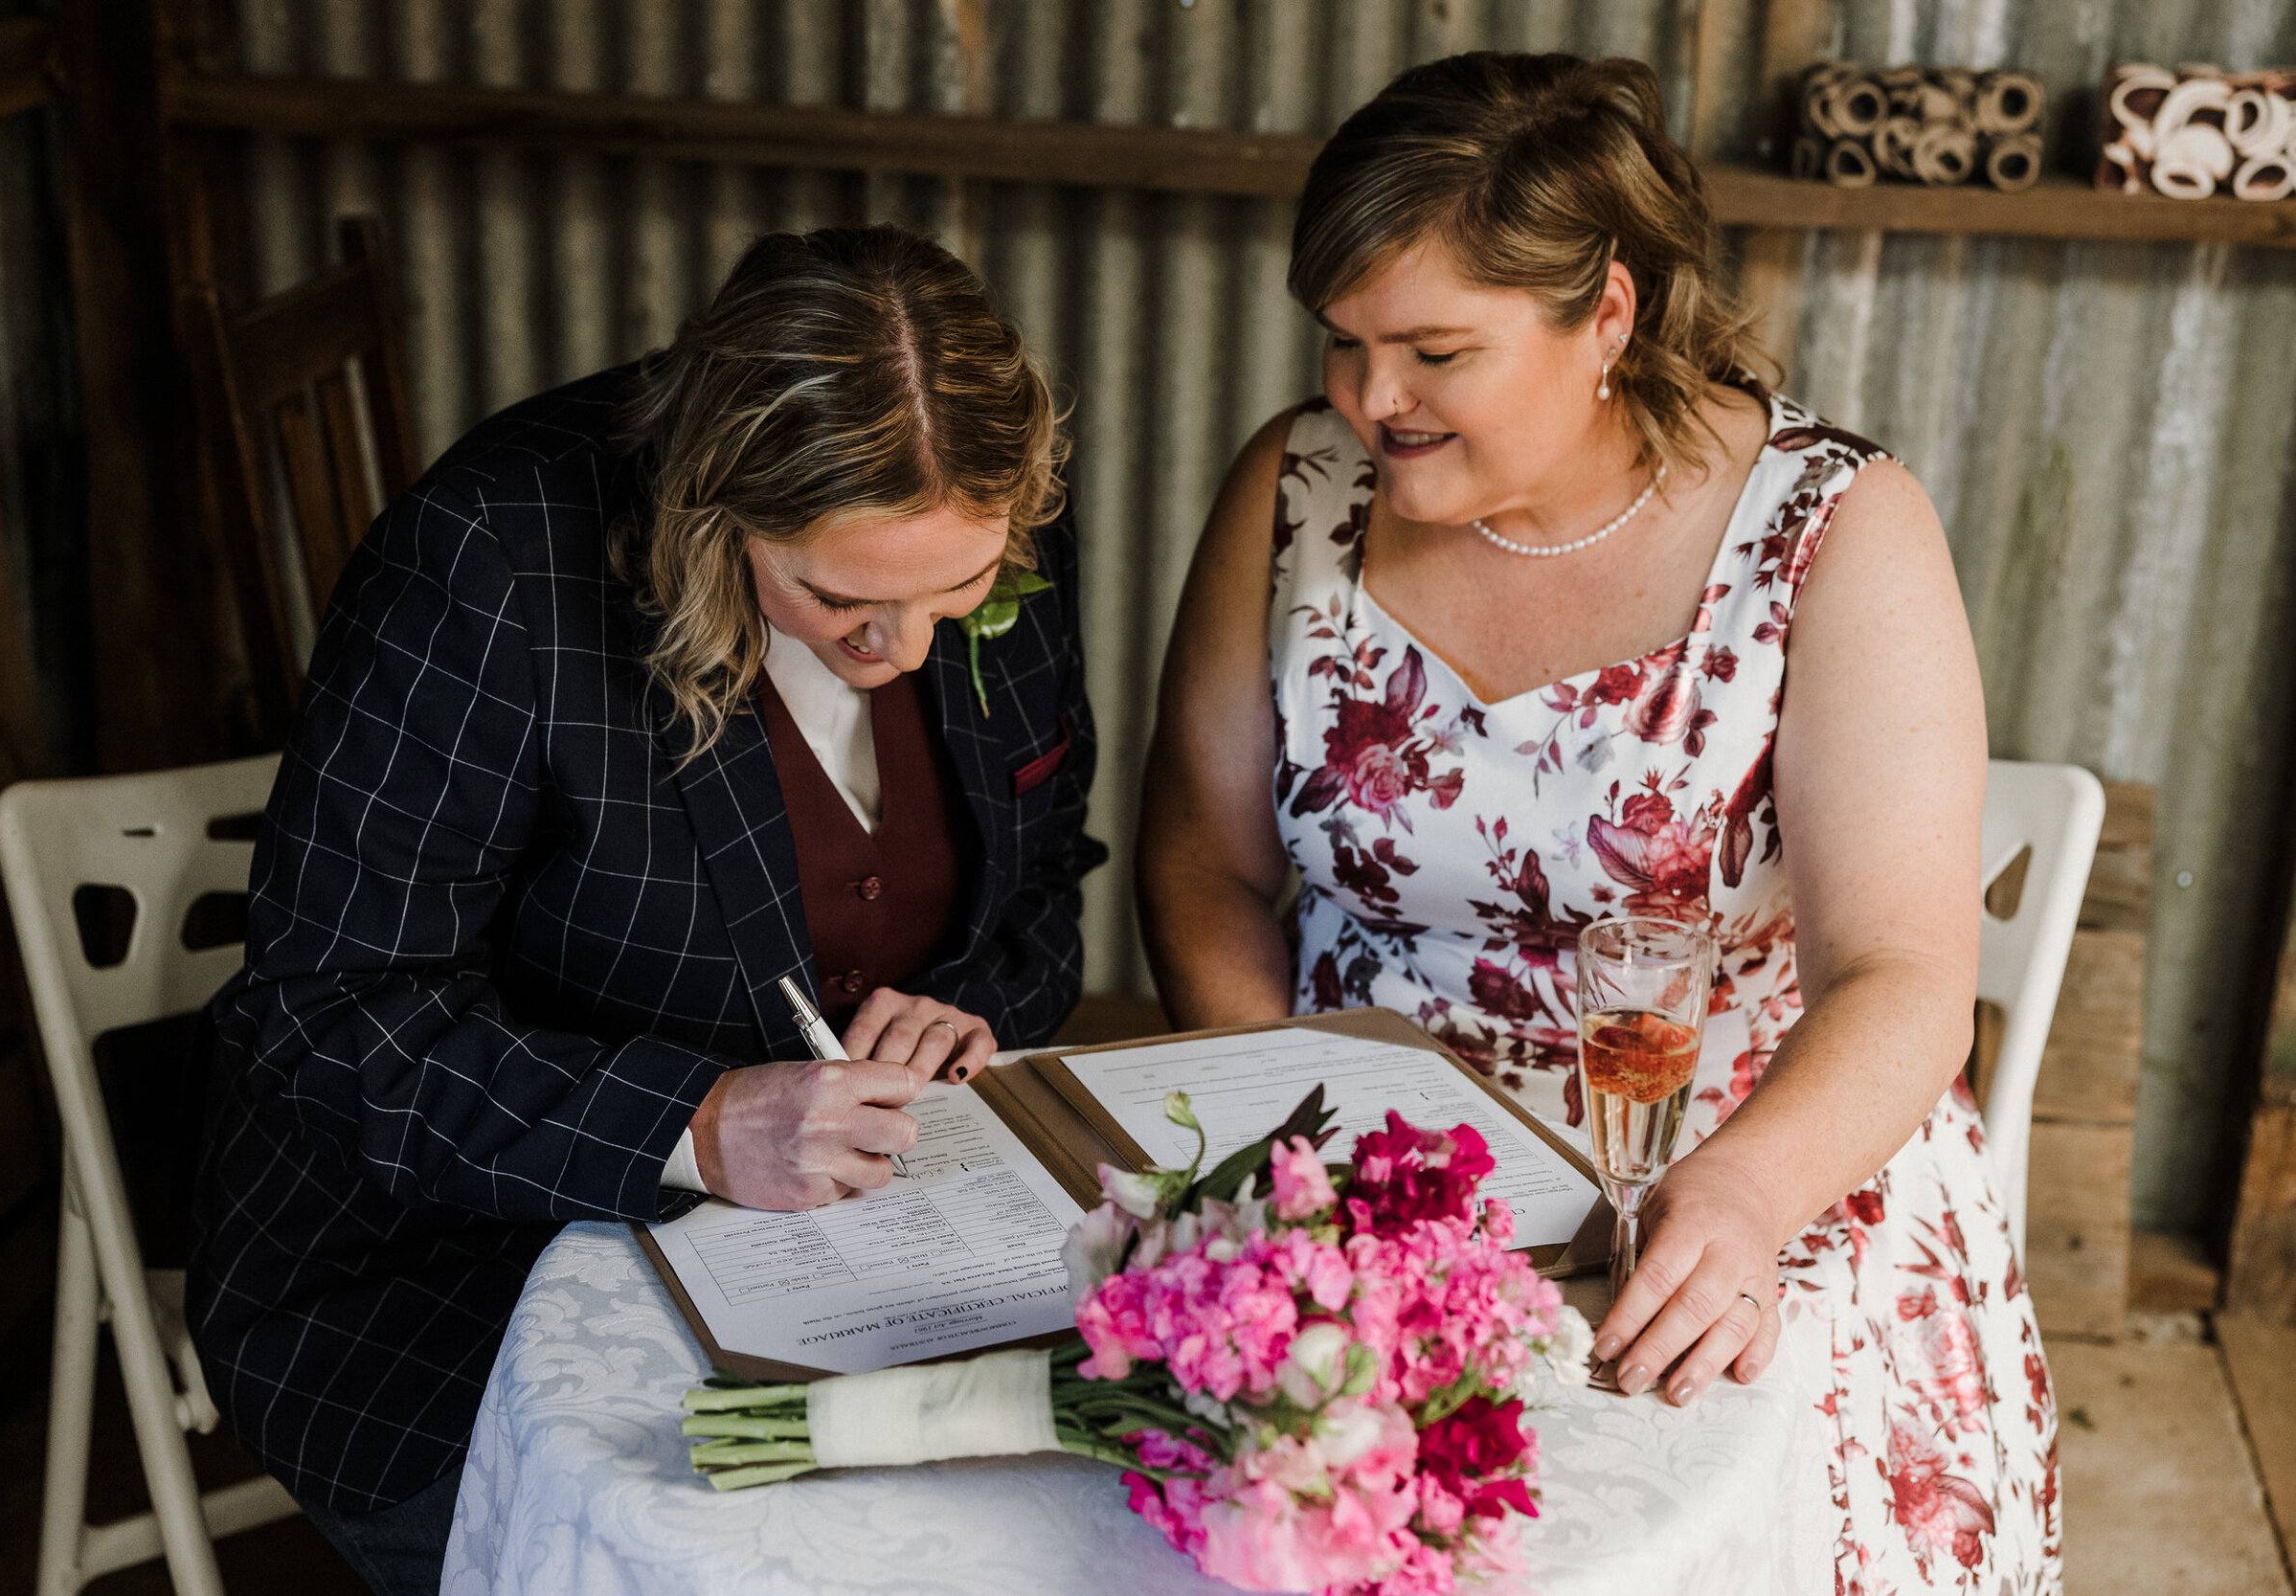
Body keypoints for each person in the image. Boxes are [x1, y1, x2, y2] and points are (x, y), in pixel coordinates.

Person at [1139, 53, 2059, 1591]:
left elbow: (1902, 972)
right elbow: (1204, 857)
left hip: (1740, 1175)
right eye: (1344, 345)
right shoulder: (1294, 490)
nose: (1369, 400)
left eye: (1433, 350)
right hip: (1363, 1161)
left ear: (1608, 319)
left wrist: (1756, 1191)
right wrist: (1290, 1124)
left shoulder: (1835, 531)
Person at [190, 224, 1104, 1594]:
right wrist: (689, 1124)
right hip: (448, 1271)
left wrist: (972, 1006)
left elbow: (1042, 877)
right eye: (837, 596)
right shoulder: (492, 562)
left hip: (870, 1251)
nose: (898, 651)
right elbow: (320, 1014)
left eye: (955, 594)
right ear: (716, 502)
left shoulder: (985, 513)